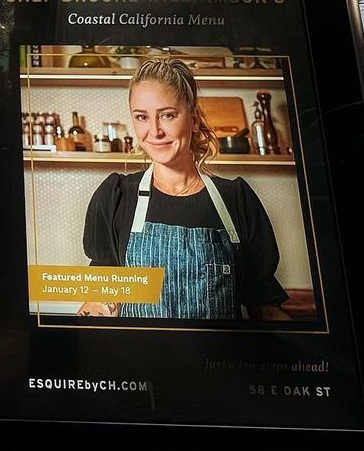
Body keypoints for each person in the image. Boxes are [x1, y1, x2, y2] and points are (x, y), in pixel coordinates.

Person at [79, 58, 290, 322]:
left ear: (194, 120)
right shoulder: (116, 197)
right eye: (142, 117)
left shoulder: (235, 198)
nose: (154, 131)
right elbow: (102, 299)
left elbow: (264, 307)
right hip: (139, 351)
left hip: (219, 351)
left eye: (167, 115)